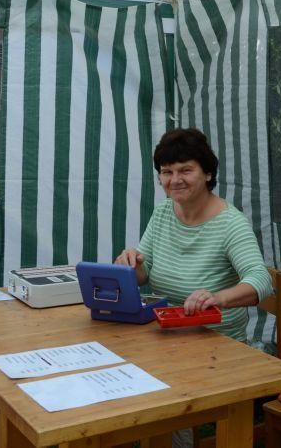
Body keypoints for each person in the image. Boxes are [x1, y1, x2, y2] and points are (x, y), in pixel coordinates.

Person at [114, 127, 272, 343]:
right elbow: (144, 275)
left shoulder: (230, 223)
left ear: (208, 173)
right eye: (167, 172)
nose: (175, 180)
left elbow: (261, 281)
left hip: (218, 343)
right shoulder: (163, 212)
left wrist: (218, 298)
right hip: (166, 334)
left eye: (185, 170)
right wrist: (133, 265)